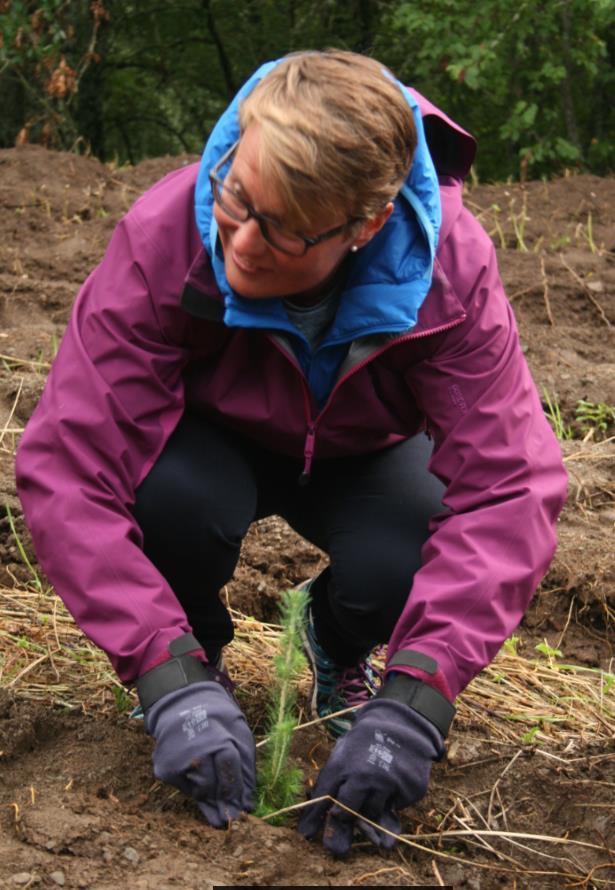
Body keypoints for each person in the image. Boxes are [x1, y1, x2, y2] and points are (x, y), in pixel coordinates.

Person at [15, 50, 568, 856]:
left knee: (397, 565)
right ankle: (191, 667)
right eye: (234, 194)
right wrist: (159, 671)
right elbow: (69, 463)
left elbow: (508, 487)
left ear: (364, 225)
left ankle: (339, 647)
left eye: (279, 230)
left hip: (364, 451)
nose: (238, 240)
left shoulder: (445, 267)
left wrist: (417, 702)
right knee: (169, 506)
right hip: (211, 439)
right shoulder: (171, 231)